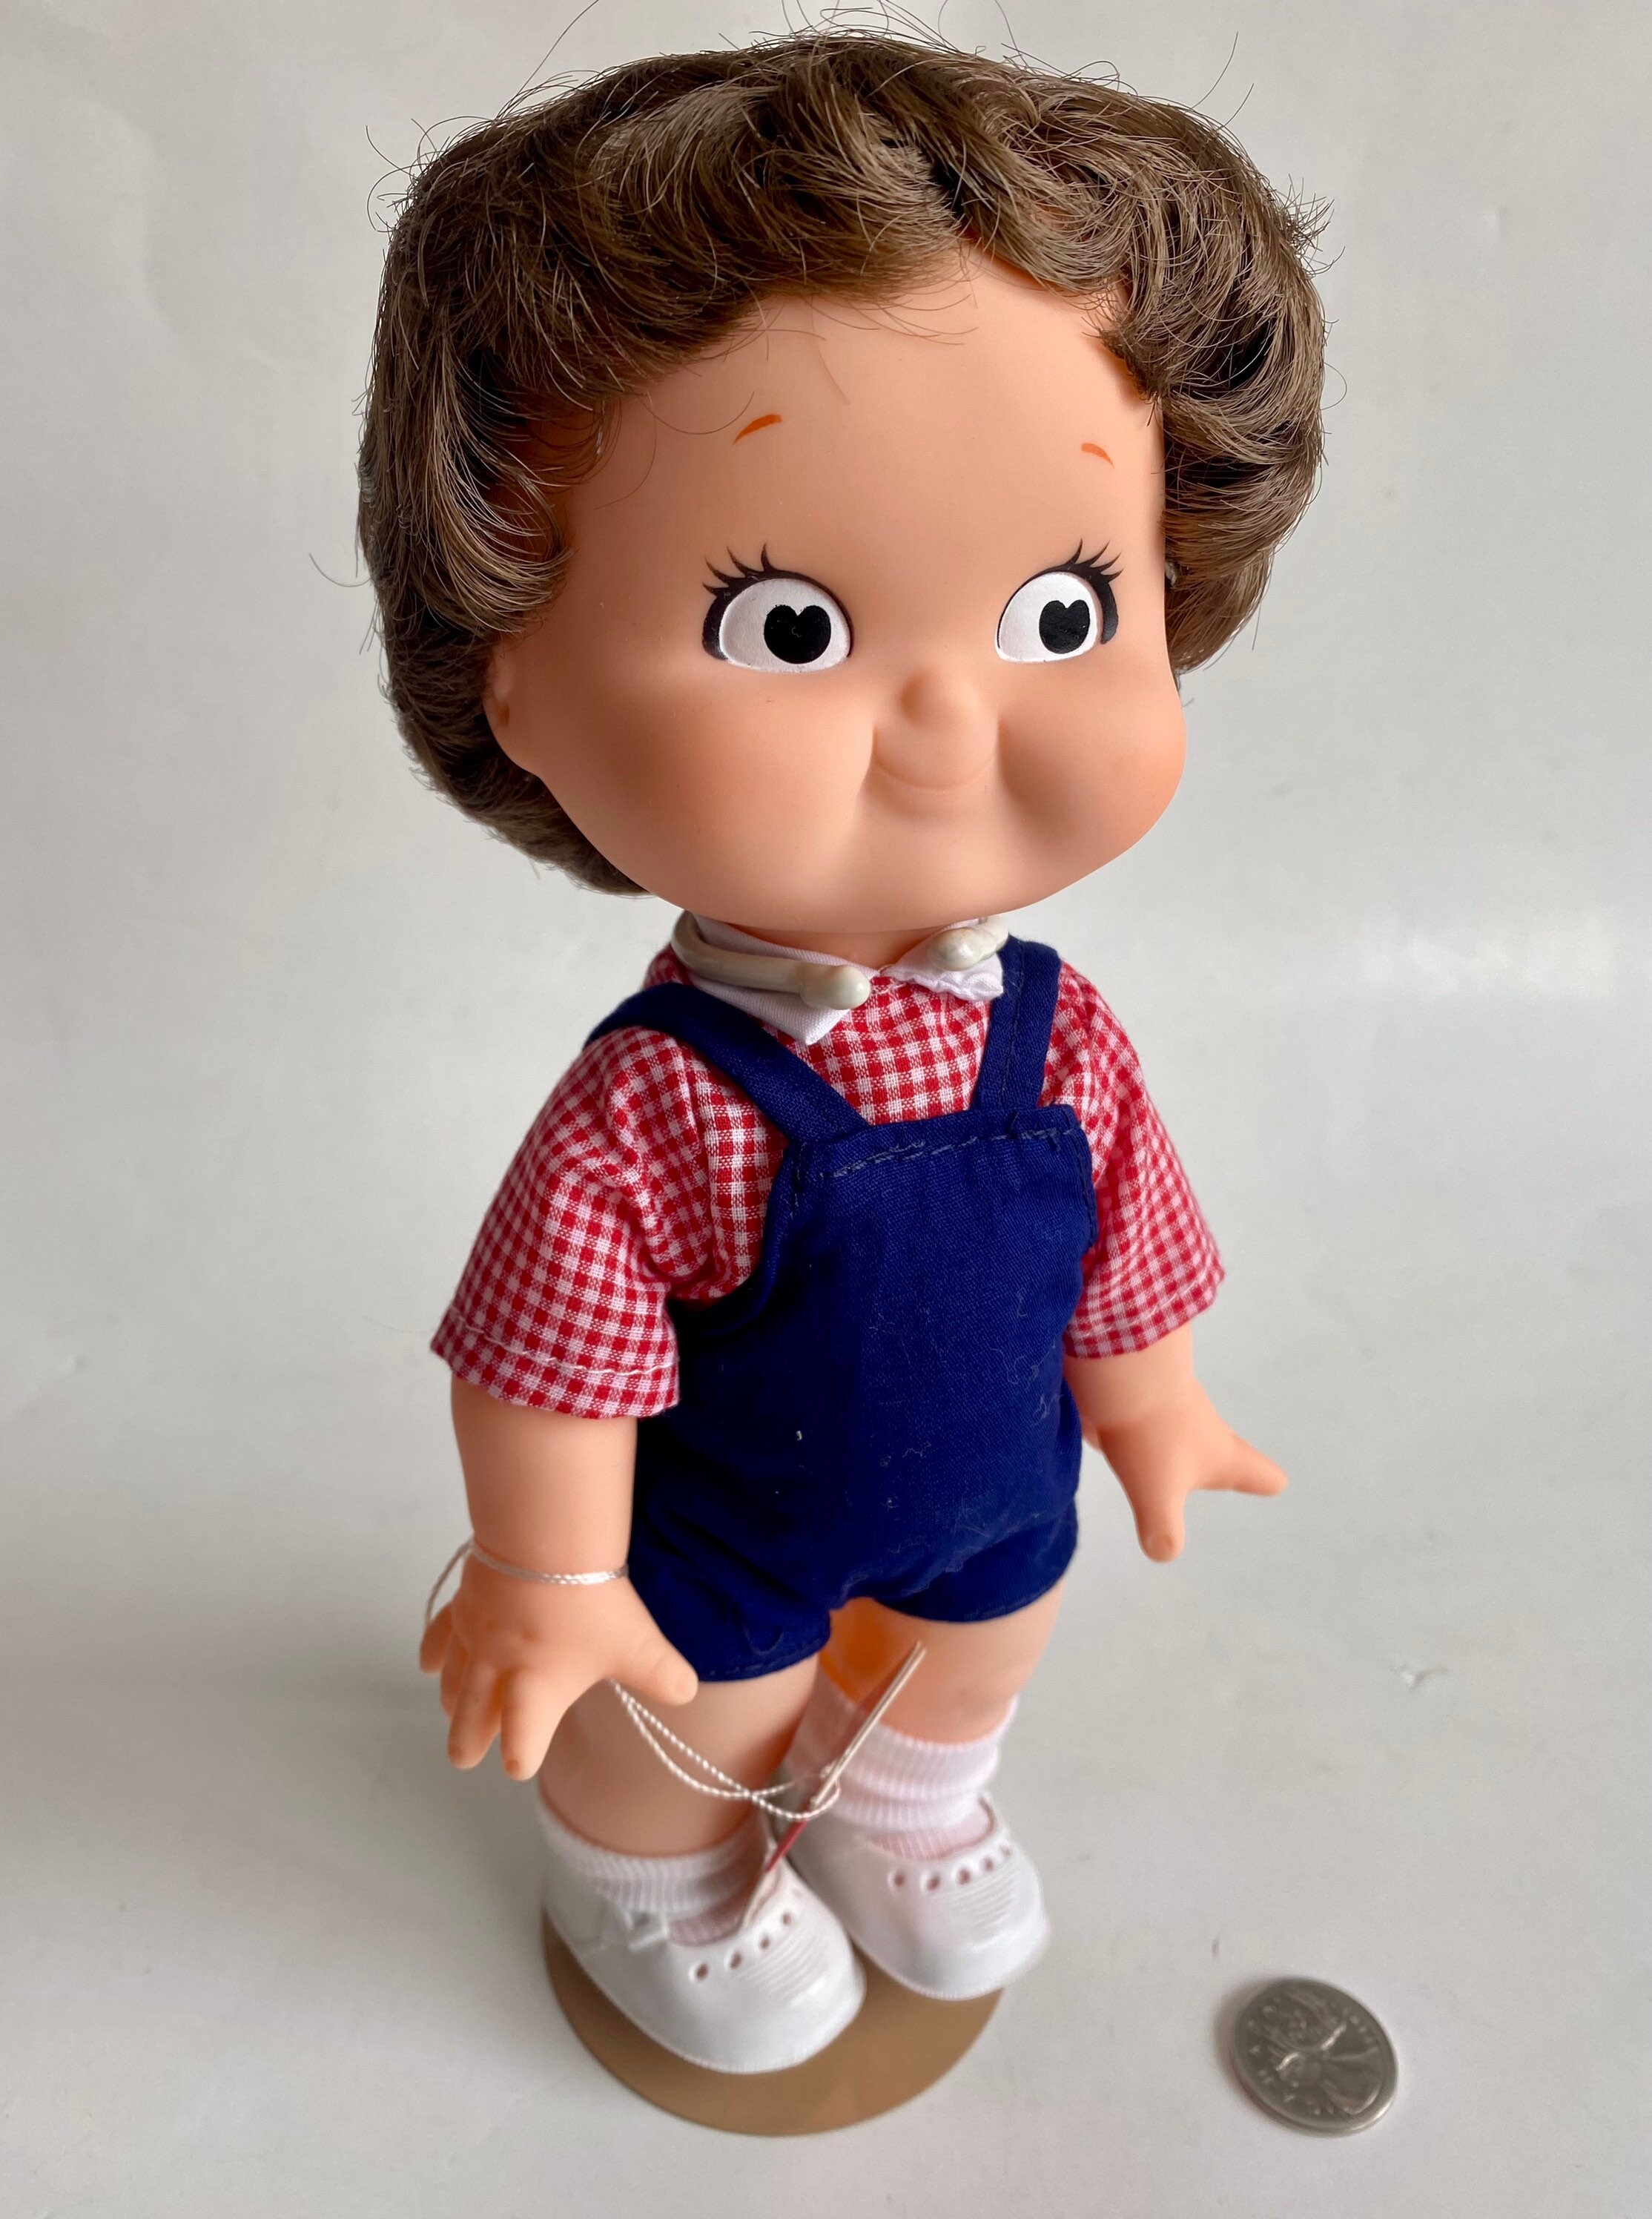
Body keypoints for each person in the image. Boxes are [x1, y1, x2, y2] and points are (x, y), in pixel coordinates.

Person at [359, 30, 1324, 2074]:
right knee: (685, 1715)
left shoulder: (1060, 1039)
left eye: (1062, 611)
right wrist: (549, 1568)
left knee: (978, 1648)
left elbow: (1122, 1246)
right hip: (720, 1530)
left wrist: (1150, 1400)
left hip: (992, 1482)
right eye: (786, 626)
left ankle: (900, 1806)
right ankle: (644, 1877)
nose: (948, 719)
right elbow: (543, 1357)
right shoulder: (656, 1107)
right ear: (515, 676)